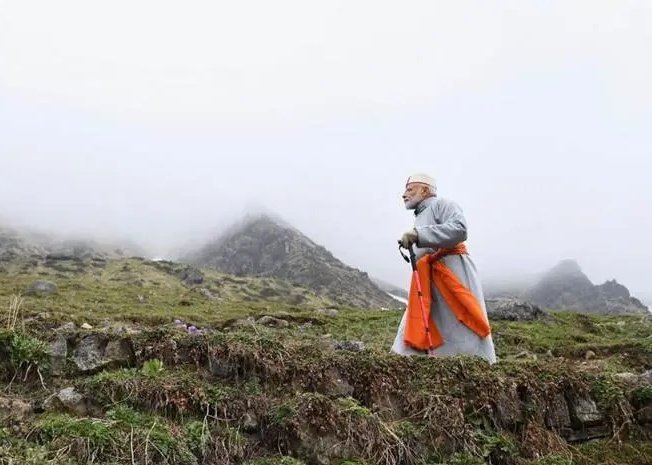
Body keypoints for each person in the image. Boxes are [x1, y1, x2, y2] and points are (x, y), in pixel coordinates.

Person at [391, 173, 496, 364]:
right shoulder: (421, 214)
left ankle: (476, 362)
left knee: (460, 319)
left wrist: (418, 235)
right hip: (428, 276)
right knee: (419, 316)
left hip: (452, 270)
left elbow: (459, 229)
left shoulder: (443, 205)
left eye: (409, 189)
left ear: (425, 190)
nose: (404, 194)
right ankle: (404, 360)